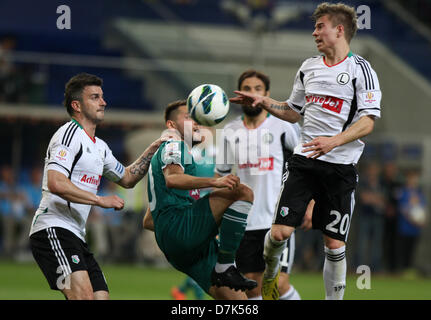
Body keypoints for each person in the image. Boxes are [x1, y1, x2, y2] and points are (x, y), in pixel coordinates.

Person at [230, 2, 381, 300]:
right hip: (304, 162)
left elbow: (367, 122)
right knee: (278, 235)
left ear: (339, 30)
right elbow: (291, 110)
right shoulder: (308, 67)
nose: (314, 33)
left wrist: (333, 141)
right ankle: (271, 274)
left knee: (334, 245)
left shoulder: (361, 69)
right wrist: (263, 103)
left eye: (319, 26)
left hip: (340, 167)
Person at [28, 73, 171, 300]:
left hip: (76, 234)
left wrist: (154, 147)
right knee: (84, 297)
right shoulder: (68, 134)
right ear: (77, 105)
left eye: (102, 97)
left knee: (100, 296)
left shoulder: (100, 147)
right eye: (95, 97)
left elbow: (126, 177)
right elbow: (56, 182)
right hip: (53, 227)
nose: (103, 102)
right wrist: (99, 200)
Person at [143, 100, 257, 300]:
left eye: (196, 119)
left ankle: (224, 268)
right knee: (242, 192)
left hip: (179, 244)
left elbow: (149, 221)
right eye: (188, 117)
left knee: (237, 301)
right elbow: (173, 179)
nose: (196, 123)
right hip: (179, 227)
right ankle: (226, 266)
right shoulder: (174, 143)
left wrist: (201, 230)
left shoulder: (183, 158)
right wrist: (216, 181)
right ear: (171, 125)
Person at [215, 69, 309, 300]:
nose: (252, 93)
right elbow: (222, 178)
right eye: (247, 89)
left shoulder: (283, 126)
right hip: (244, 223)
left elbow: (307, 164)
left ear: (266, 94)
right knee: (253, 288)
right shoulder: (229, 131)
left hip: (278, 219)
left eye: (258, 89)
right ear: (239, 94)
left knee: (280, 283)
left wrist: (310, 203)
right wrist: (217, 219)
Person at [355, 162, 385, 272]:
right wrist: (377, 199)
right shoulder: (362, 182)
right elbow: (364, 199)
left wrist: (373, 198)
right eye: (371, 169)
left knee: (377, 243)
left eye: (375, 169)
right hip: (365, 216)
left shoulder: (382, 182)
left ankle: (375, 268)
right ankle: (360, 267)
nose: (373, 172)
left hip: (378, 217)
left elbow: (385, 200)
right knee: (362, 242)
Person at [396, 169, 427, 274]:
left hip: (416, 228)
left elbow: (423, 208)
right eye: (411, 179)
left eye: (415, 179)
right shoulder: (403, 192)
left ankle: (409, 268)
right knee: (404, 248)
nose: (413, 181)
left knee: (413, 248)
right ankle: (402, 269)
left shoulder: (419, 193)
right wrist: (412, 219)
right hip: (405, 226)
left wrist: (423, 219)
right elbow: (402, 208)